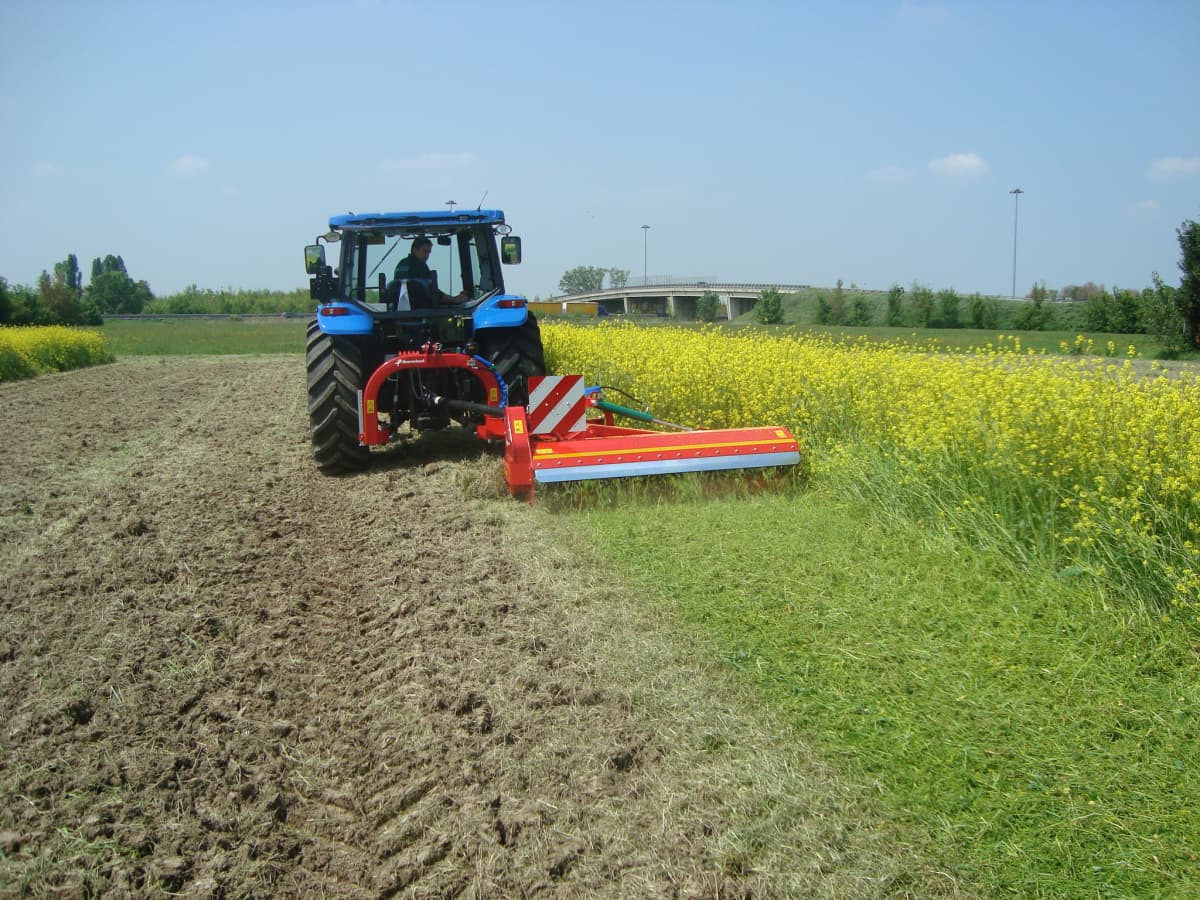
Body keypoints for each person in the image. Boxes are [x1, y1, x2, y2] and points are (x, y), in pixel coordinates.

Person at [392, 237, 468, 305]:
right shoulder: (420, 266)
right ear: (415, 250)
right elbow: (432, 292)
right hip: (418, 309)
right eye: (424, 252)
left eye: (429, 252)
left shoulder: (401, 264)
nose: (427, 256)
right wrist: (454, 299)